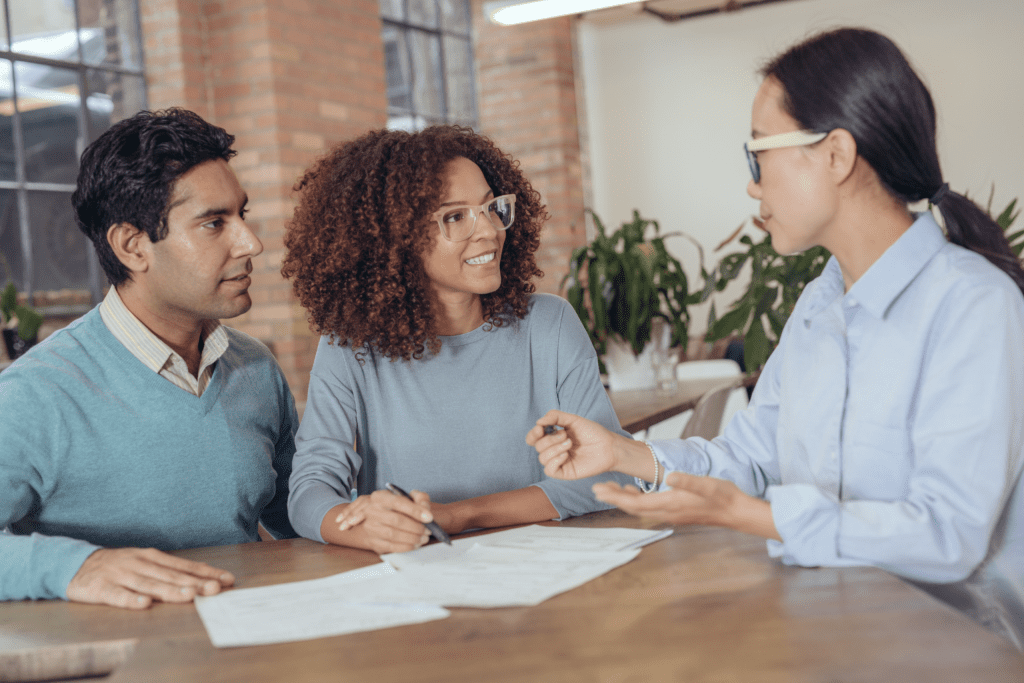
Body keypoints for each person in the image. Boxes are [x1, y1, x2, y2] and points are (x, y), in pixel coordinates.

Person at [528, 28, 1024, 648]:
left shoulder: (974, 305)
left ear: (837, 155)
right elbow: (750, 458)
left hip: (960, 648)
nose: (752, 185)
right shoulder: (820, 304)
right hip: (827, 625)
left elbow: (947, 535)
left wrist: (748, 516)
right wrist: (624, 454)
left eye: (758, 154)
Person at [282, 126, 631, 555]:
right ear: (395, 240)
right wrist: (361, 525)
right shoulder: (350, 347)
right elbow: (310, 491)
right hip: (420, 581)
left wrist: (458, 515)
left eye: (490, 208)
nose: (487, 231)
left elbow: (609, 479)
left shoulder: (550, 324)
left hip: (549, 569)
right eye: (455, 217)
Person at [0, 108, 298, 609]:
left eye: (241, 215)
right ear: (133, 246)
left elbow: (299, 514)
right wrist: (77, 566)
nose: (251, 244)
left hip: (255, 640)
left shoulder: (256, 367)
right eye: (212, 223)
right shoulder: (35, 393)